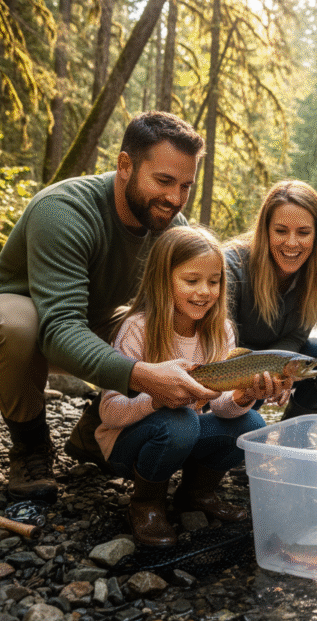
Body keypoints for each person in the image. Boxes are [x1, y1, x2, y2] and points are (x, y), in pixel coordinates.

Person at [0, 111, 218, 505]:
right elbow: (59, 327)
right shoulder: (63, 210)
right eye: (164, 181)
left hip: (89, 323)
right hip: (8, 324)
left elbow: (197, 304)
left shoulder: (170, 226)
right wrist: (144, 377)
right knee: (17, 324)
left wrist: (244, 375)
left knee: (168, 319)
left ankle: (95, 429)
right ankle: (30, 448)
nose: (174, 198)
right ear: (125, 165)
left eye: (185, 186)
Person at [95, 226, 289, 547]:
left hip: (183, 436)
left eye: (214, 282)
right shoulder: (136, 329)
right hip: (127, 446)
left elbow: (222, 407)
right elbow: (109, 412)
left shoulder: (221, 330)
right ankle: (146, 503)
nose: (205, 292)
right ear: (163, 280)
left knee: (252, 423)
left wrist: (244, 396)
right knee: (181, 421)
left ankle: (196, 493)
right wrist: (156, 399)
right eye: (191, 280)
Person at [224, 180, 317, 419]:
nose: (292, 242)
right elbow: (218, 342)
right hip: (231, 365)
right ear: (265, 231)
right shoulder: (230, 267)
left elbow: (296, 337)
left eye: (303, 232)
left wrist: (283, 373)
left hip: (272, 360)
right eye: (281, 231)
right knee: (248, 424)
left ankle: (293, 431)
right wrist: (265, 375)